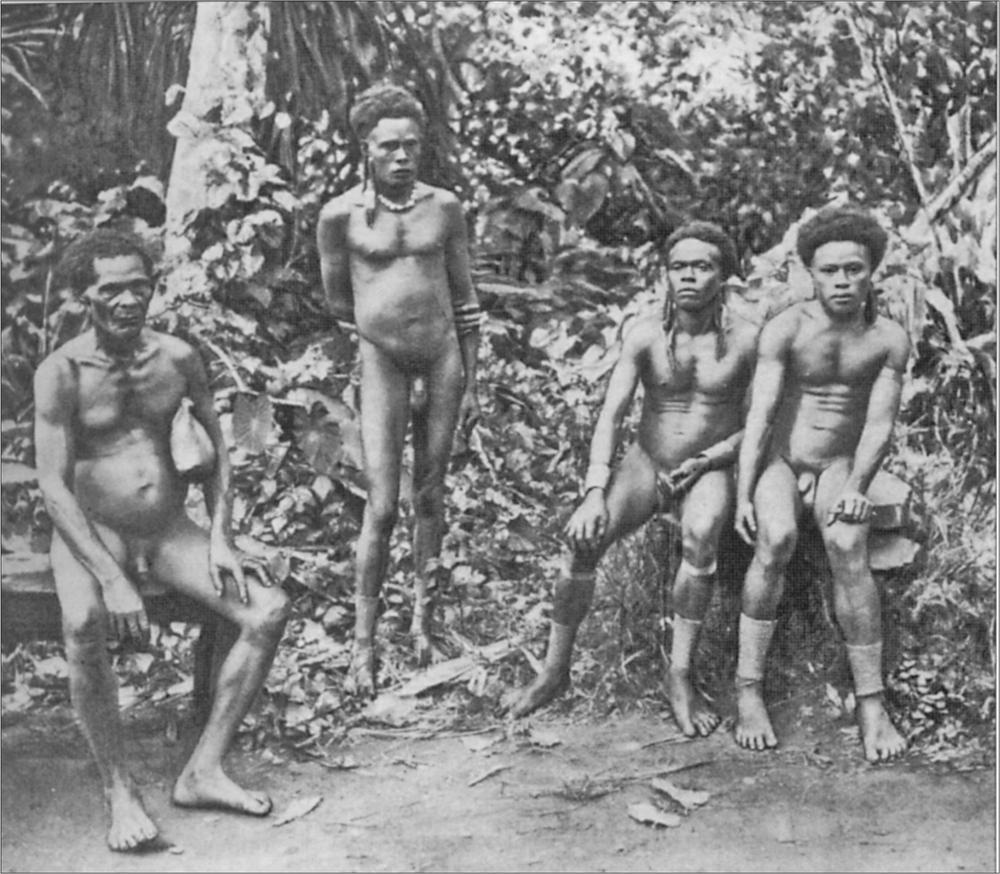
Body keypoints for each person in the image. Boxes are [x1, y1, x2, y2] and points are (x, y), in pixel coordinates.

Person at [34, 229, 290, 851]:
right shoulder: (61, 371)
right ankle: (118, 789)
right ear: (84, 296)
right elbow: (52, 486)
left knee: (268, 610)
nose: (127, 301)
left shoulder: (177, 358)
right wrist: (114, 579)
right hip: (93, 533)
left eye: (138, 288)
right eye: (111, 290)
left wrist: (222, 534)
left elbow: (219, 448)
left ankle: (203, 769)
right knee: (82, 622)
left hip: (170, 531)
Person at [509, 222, 758, 736]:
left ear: (725, 274)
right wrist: (595, 489)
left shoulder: (748, 339)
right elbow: (612, 415)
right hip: (648, 460)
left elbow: (760, 425)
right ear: (665, 275)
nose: (689, 277)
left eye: (703, 266)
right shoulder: (645, 334)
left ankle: (680, 675)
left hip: (710, 464)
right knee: (583, 540)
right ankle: (554, 670)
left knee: (702, 532)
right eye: (678, 267)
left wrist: (715, 456)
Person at [316, 84, 482, 695]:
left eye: (411, 146)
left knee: (431, 496)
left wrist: (472, 382)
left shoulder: (445, 207)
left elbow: (466, 301)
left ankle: (423, 622)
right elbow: (337, 298)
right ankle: (363, 645)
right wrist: (378, 333)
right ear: (366, 148)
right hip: (382, 361)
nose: (402, 157)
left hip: (442, 359)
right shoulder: (339, 216)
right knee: (382, 506)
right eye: (389, 147)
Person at [733, 204, 910, 762]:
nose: (841, 281)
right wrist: (744, 490)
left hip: (839, 464)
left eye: (853, 269)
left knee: (846, 542)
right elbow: (759, 416)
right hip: (783, 461)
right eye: (829, 270)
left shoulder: (887, 338)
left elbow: (879, 422)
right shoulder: (786, 327)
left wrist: (858, 484)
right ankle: (748, 689)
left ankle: (871, 703)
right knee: (777, 537)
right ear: (810, 271)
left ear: (871, 272)